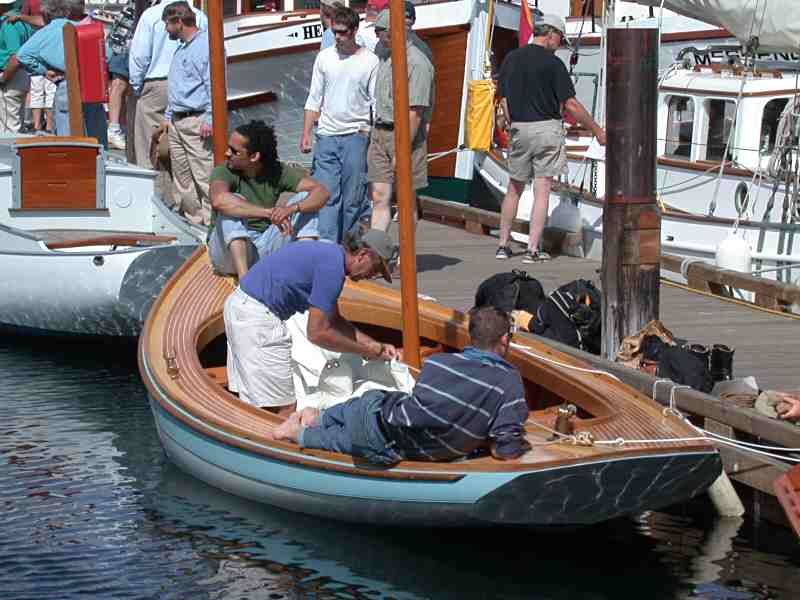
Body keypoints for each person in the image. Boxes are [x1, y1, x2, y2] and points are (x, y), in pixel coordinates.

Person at [274, 305, 532, 465]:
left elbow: (416, 412)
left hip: (379, 420)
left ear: (472, 337)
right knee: (344, 433)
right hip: (387, 438)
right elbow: (505, 449)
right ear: (504, 340)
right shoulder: (509, 380)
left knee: (360, 410)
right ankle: (303, 430)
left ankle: (313, 419)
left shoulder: (439, 363)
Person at [224, 228, 399, 416]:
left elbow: (334, 321)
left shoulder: (330, 254)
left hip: (239, 306)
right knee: (284, 409)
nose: (372, 276)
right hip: (257, 319)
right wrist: (366, 351)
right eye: (376, 269)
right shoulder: (333, 270)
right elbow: (317, 334)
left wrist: (374, 345)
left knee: (250, 401)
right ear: (363, 255)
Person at [495, 14, 606, 263]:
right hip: (546, 129)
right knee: (542, 190)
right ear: (552, 34)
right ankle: (533, 250)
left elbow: (502, 99)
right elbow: (571, 105)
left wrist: (513, 124)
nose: (560, 44)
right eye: (560, 39)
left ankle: (502, 245)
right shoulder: (553, 64)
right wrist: (597, 130)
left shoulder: (511, 58)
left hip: (518, 129)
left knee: (514, 188)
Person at [209, 120, 330, 279]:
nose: (227, 153)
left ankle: (304, 271)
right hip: (227, 253)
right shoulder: (223, 171)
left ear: (254, 156)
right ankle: (245, 284)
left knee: (305, 199)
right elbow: (219, 200)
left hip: (262, 245)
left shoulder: (277, 171)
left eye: (234, 151)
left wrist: (291, 209)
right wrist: (268, 213)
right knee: (232, 201)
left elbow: (322, 192)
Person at [301, 6, 377, 243]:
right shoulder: (325, 57)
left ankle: (348, 247)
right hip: (326, 135)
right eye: (334, 32)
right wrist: (306, 134)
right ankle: (326, 246)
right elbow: (314, 97)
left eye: (343, 32)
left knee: (353, 198)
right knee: (326, 195)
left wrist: (375, 141)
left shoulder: (370, 61)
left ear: (354, 31)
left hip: (357, 135)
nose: (337, 37)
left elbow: (376, 104)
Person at [367, 8, 434, 233]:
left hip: (406, 135)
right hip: (380, 132)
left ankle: (405, 258)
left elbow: (415, 112)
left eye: (380, 33)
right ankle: (377, 253)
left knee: (406, 198)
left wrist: (401, 149)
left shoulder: (417, 63)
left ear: (393, 31)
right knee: (379, 196)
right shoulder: (385, 56)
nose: (377, 38)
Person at [16, 0, 107, 146]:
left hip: (66, 83)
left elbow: (22, 55)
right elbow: (105, 55)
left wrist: (44, 71)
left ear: (46, 14)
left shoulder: (46, 32)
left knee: (68, 141)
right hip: (91, 84)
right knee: (97, 141)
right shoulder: (84, 29)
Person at [129, 0, 207, 168]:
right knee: (181, 150)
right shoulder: (199, 16)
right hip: (190, 86)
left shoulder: (150, 15)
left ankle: (150, 186)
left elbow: (139, 56)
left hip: (155, 84)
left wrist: (137, 87)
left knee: (148, 147)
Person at [157, 0, 212, 226]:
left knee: (204, 175)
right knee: (182, 177)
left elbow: (213, 83)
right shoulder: (181, 48)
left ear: (178, 21)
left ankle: (211, 222)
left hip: (195, 119)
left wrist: (209, 117)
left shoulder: (205, 45)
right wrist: (168, 118)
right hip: (178, 121)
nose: (165, 30)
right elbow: (178, 86)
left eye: (167, 24)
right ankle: (193, 220)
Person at [0, 0, 34, 133]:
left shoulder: (9, 23)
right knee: (15, 126)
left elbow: (15, 56)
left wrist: (4, 78)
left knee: (8, 130)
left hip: (11, 75)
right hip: (20, 75)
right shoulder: (24, 22)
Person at [105, 2, 136, 150]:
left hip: (123, 41)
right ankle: (114, 128)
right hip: (125, 42)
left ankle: (119, 128)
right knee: (120, 85)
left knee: (124, 87)